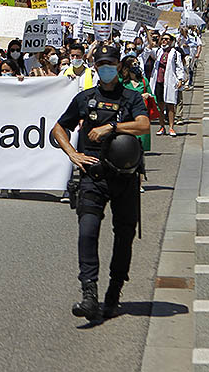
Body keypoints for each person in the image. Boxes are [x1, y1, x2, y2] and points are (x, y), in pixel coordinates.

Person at [52, 44, 150, 322]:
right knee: (87, 232)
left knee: (124, 235)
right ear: (96, 67)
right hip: (93, 177)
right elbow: (59, 127)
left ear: (119, 66)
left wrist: (113, 127)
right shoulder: (85, 98)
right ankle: (89, 294)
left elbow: (143, 125)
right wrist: (73, 153)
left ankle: (114, 291)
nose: (106, 69)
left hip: (125, 177)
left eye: (111, 64)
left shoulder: (131, 97)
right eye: (101, 64)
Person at [148, 33, 186, 136]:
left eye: (167, 39)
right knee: (160, 105)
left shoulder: (175, 53)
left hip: (169, 81)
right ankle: (162, 127)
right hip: (159, 82)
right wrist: (147, 31)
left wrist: (180, 80)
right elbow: (150, 46)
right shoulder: (158, 51)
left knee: (170, 105)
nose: (165, 41)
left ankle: (171, 127)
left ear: (171, 41)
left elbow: (179, 67)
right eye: (163, 39)